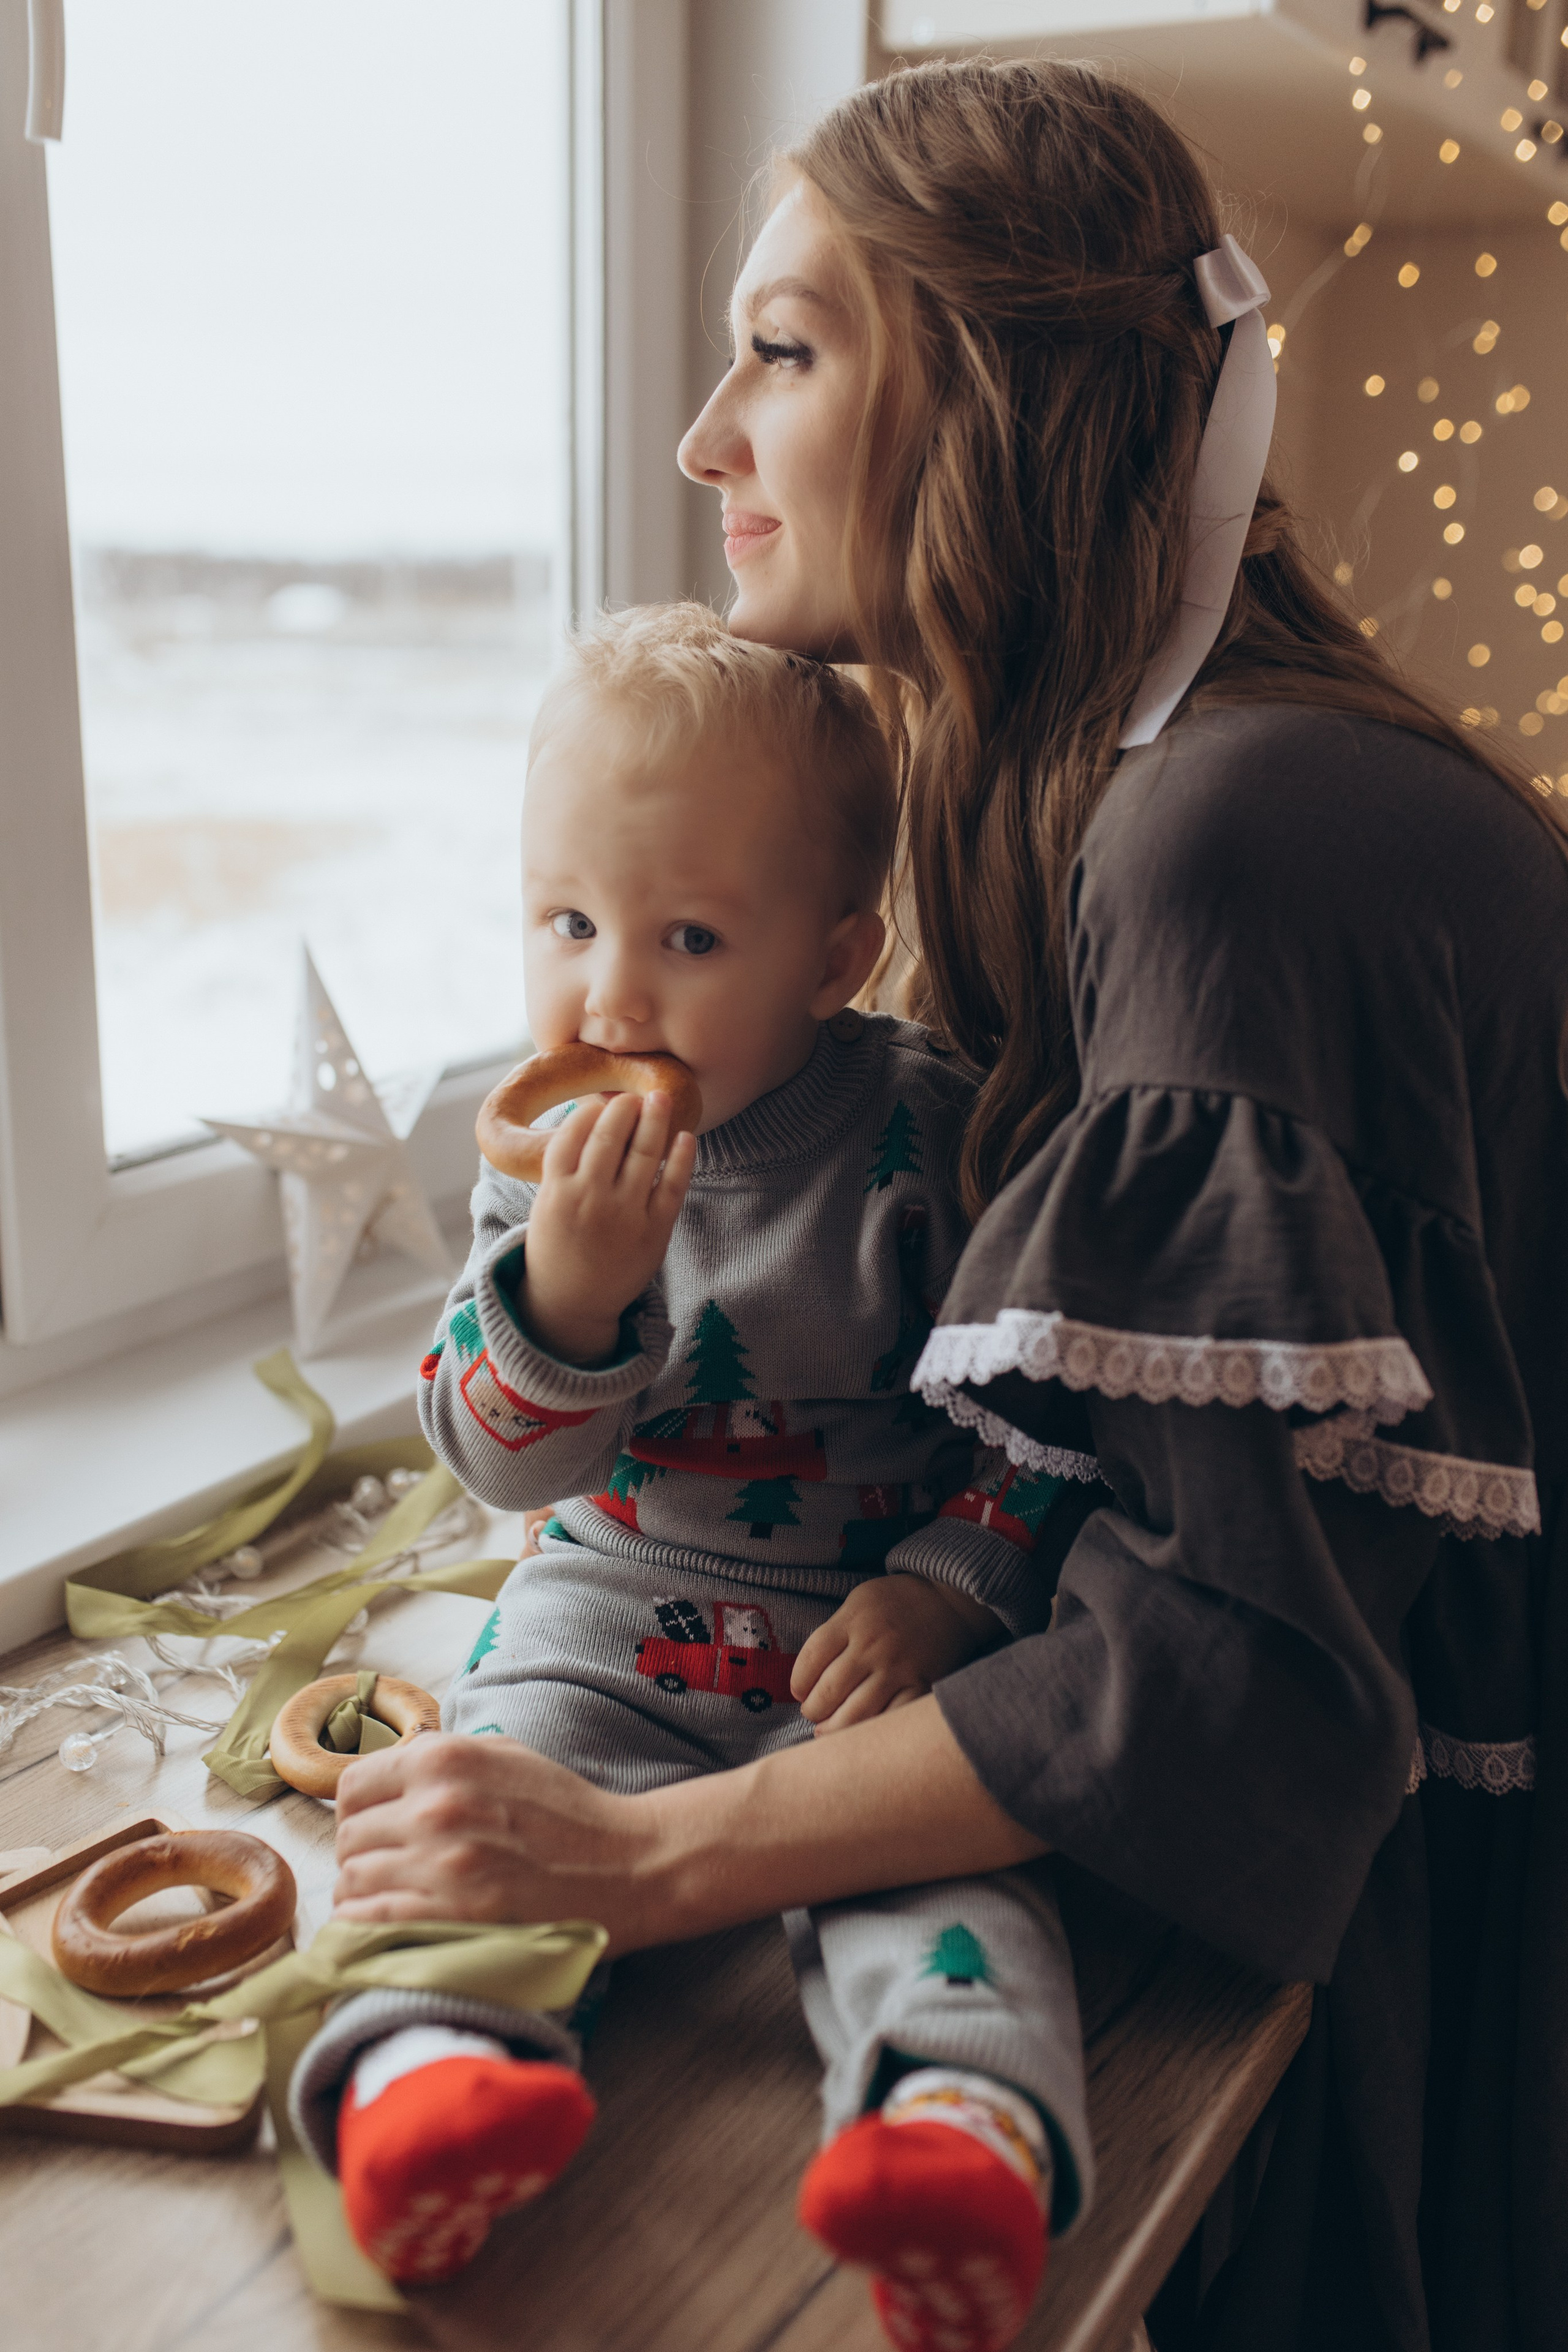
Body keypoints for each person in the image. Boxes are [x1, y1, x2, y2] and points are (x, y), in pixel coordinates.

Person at [327, 60, 1568, 2352]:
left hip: (1438, 1946)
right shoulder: (1138, 794)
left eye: (784, 352)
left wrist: (649, 1848)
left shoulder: (1235, 844)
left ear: (991, 399)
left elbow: (1226, 1680)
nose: (709, 440)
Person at [292, 603, 1091, 2347]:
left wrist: (948, 1591)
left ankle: (958, 2139)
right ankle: (432, 2083)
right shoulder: (543, 1160)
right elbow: (494, 1461)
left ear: (833, 958)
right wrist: (568, 1291)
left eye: (691, 936)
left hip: (858, 1656)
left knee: (948, 1882)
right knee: (473, 1807)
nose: (610, 992)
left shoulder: (922, 1138)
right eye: (567, 921)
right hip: (601, 1623)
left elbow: (1045, 1429)